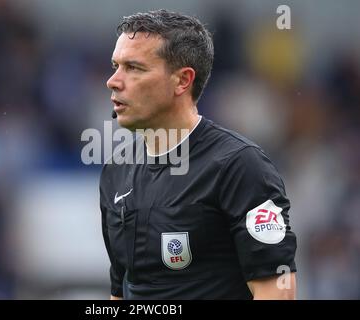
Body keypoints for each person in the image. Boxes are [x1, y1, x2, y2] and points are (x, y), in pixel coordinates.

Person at [99, 9, 297, 300]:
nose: (113, 81)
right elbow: (121, 290)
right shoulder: (116, 170)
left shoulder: (239, 167)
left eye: (134, 68)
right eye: (116, 66)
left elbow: (278, 293)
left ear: (182, 81)